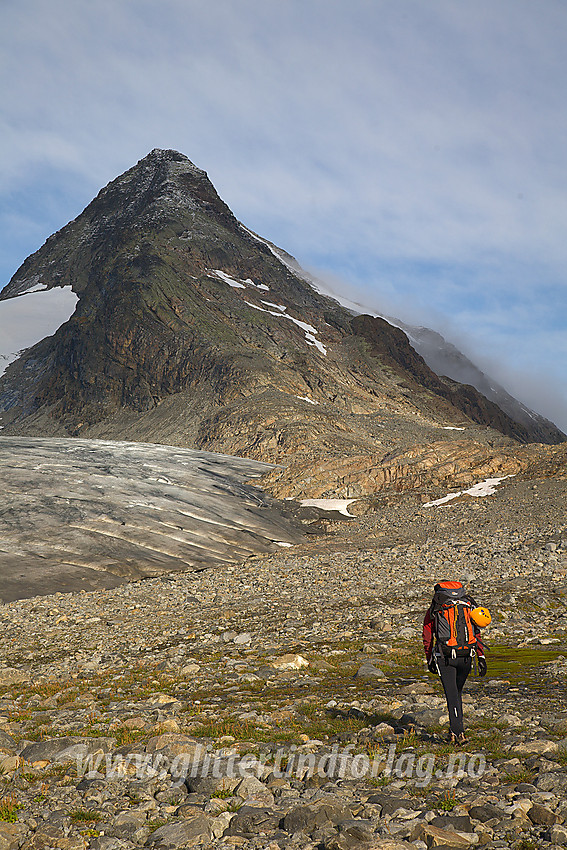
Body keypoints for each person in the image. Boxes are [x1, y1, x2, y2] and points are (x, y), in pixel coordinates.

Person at [422, 581, 487, 745]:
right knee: (457, 693)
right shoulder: (468, 605)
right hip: (466, 654)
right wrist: (481, 657)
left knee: (452, 696)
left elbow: (427, 635)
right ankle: (455, 730)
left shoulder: (436, 608)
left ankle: (459, 733)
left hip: (445, 656)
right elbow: (476, 631)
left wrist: (429, 658)